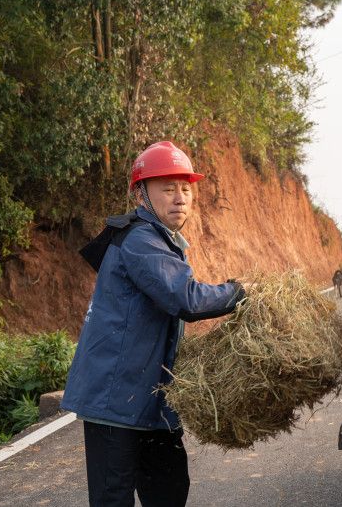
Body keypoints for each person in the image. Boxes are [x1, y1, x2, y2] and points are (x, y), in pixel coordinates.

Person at [61, 141, 245, 507]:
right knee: (114, 499)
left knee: (169, 490)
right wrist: (238, 293)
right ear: (141, 194)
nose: (180, 197)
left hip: (151, 401)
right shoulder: (140, 240)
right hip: (115, 400)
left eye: (186, 188)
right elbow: (186, 298)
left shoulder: (160, 240)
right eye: (168, 188)